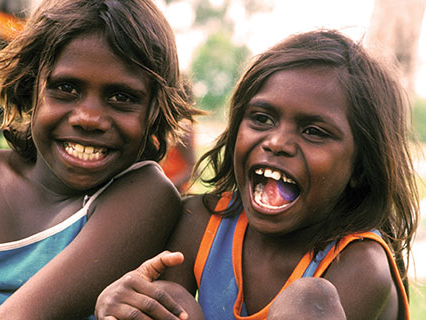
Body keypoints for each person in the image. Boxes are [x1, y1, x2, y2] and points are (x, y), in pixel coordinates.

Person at [95, 29, 419, 320]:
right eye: (262, 119)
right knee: (170, 298)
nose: (277, 142)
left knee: (308, 300)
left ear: (360, 170)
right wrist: (119, 303)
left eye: (314, 132)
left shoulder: (360, 265)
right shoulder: (201, 221)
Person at [0, 0, 201, 318]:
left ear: (154, 112)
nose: (89, 118)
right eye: (66, 88)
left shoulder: (144, 196)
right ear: (30, 87)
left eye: (121, 97)